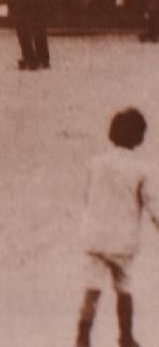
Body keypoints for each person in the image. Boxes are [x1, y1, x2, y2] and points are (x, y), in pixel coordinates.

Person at [73, 108, 159, 347]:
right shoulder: (141, 169)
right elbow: (154, 204)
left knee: (91, 288)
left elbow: (87, 196)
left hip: (95, 236)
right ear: (140, 137)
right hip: (123, 240)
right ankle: (125, 336)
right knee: (124, 288)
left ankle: (82, 337)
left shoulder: (95, 163)